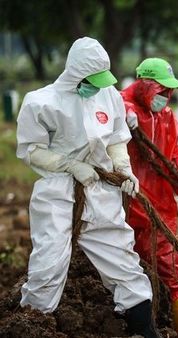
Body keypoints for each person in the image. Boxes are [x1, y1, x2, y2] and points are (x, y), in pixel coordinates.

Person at [16, 37, 161, 338]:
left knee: (121, 255)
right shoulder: (41, 102)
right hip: (57, 191)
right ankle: (33, 325)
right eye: (92, 80)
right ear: (75, 74)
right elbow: (31, 150)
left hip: (99, 187)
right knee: (49, 262)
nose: (98, 86)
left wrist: (123, 168)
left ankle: (143, 327)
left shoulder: (107, 94)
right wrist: (70, 165)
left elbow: (117, 137)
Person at [121, 58, 178, 335]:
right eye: (162, 91)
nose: (167, 97)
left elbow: (174, 160)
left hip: (161, 206)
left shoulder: (166, 116)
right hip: (124, 203)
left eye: (170, 92)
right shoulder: (120, 106)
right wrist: (120, 123)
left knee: (170, 267)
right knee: (124, 268)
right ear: (145, 85)